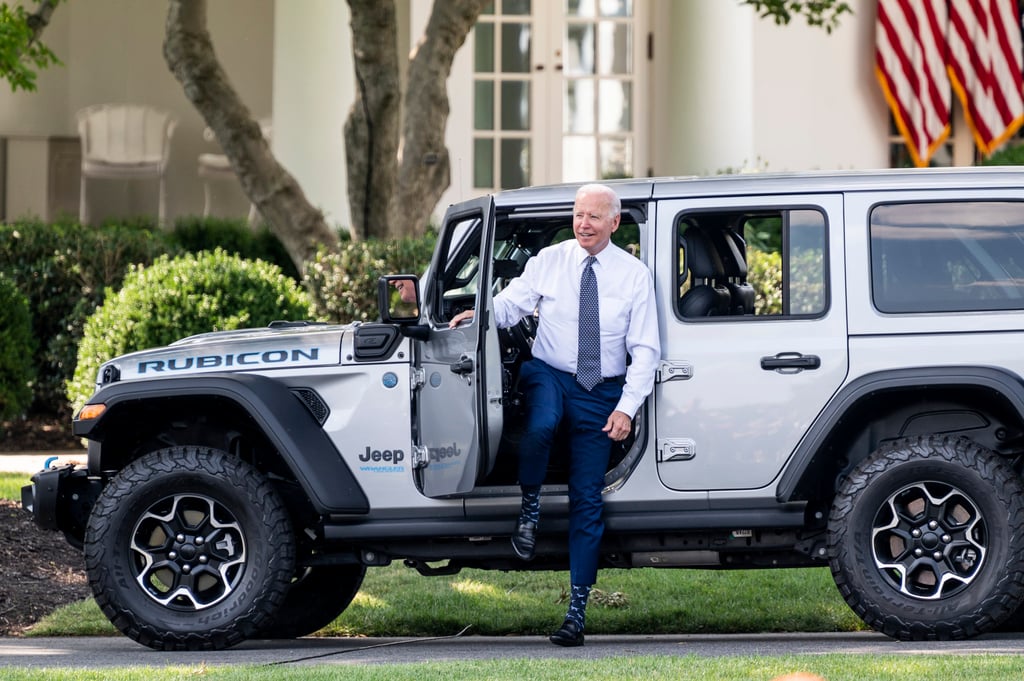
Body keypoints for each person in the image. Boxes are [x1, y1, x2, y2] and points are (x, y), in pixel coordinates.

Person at [449, 183, 660, 647]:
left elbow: (646, 350)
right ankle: (529, 510)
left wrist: (626, 408)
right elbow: (512, 303)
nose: (583, 224)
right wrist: (478, 315)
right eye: (578, 214)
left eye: (593, 217)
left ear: (614, 223)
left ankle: (576, 614)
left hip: (600, 392)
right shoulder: (550, 259)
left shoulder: (634, 275)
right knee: (541, 425)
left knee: (588, 498)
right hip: (548, 373)